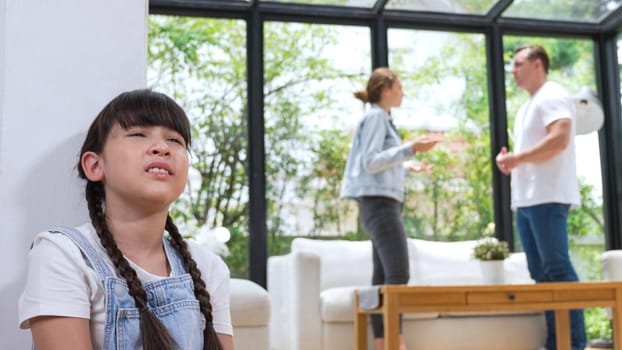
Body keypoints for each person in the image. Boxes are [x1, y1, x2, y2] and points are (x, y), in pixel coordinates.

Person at [18, 89, 234, 350]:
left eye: (175, 140)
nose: (162, 147)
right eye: (139, 134)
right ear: (95, 166)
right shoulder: (63, 255)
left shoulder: (208, 267)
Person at [340, 67, 441, 350]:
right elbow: (371, 161)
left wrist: (409, 166)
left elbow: (379, 164)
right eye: (399, 87)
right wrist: (412, 148)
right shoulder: (375, 117)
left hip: (380, 204)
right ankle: (396, 345)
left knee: (383, 277)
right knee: (398, 275)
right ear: (386, 90)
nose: (403, 92)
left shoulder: (378, 117)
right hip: (380, 205)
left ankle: (386, 343)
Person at [496, 45, 586, 350]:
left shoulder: (552, 94)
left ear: (537, 64)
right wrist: (511, 161)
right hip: (526, 200)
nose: (513, 71)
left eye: (518, 64)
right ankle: (555, 342)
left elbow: (559, 138)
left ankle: (572, 343)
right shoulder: (527, 106)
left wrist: (517, 158)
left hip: (547, 197)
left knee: (557, 268)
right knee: (541, 274)